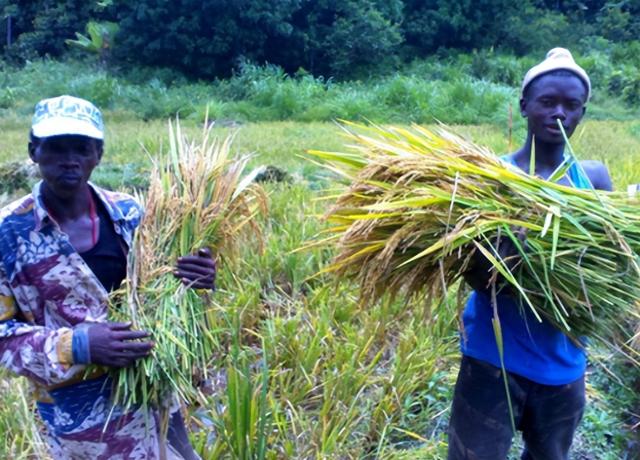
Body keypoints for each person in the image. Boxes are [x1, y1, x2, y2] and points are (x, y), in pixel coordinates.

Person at [0, 95, 216, 459]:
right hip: (83, 424)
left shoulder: (132, 214)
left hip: (154, 400)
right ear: (33, 151)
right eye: (55, 148)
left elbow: (166, 299)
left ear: (97, 154)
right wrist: (79, 344)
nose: (70, 159)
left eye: (81, 148)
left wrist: (198, 282)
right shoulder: (8, 233)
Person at [447, 48, 613, 460]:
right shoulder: (493, 179)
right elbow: (468, 269)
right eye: (547, 102)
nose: (560, 113)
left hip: (563, 362)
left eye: (571, 105)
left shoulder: (592, 179)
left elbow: (610, 264)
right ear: (524, 106)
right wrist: (510, 261)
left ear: (582, 114)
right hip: (492, 359)